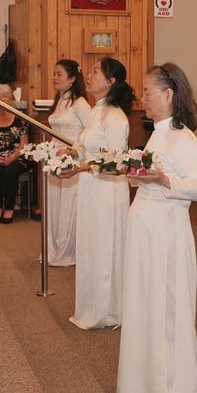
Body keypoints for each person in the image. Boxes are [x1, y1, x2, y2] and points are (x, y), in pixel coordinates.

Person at [116, 63, 197, 393]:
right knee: (144, 301)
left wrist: (164, 180)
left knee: (165, 304)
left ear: (169, 94)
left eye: (148, 92)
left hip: (166, 232)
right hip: (145, 228)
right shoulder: (157, 132)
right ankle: (145, 379)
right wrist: (137, 174)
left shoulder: (183, 138)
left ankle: (170, 383)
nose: (142, 99)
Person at [68, 58, 134, 329]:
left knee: (105, 246)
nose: (90, 74)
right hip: (90, 187)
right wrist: (70, 152)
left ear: (111, 82)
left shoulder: (116, 117)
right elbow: (86, 145)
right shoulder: (96, 111)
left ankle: (109, 310)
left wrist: (81, 166)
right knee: (90, 245)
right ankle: (90, 304)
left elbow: (117, 163)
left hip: (107, 189)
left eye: (96, 71)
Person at [44, 59, 91, 266]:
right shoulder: (59, 100)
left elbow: (90, 133)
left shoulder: (80, 103)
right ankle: (53, 246)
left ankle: (68, 250)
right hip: (55, 155)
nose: (54, 77)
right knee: (54, 203)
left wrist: (75, 150)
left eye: (59, 74)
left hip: (72, 158)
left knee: (68, 206)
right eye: (54, 73)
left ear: (72, 79)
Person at [0, 83, 30, 223]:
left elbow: (24, 145)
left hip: (17, 157)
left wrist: (12, 157)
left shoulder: (20, 120)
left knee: (11, 169)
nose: (3, 101)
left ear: (11, 100)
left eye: (6, 97)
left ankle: (9, 208)